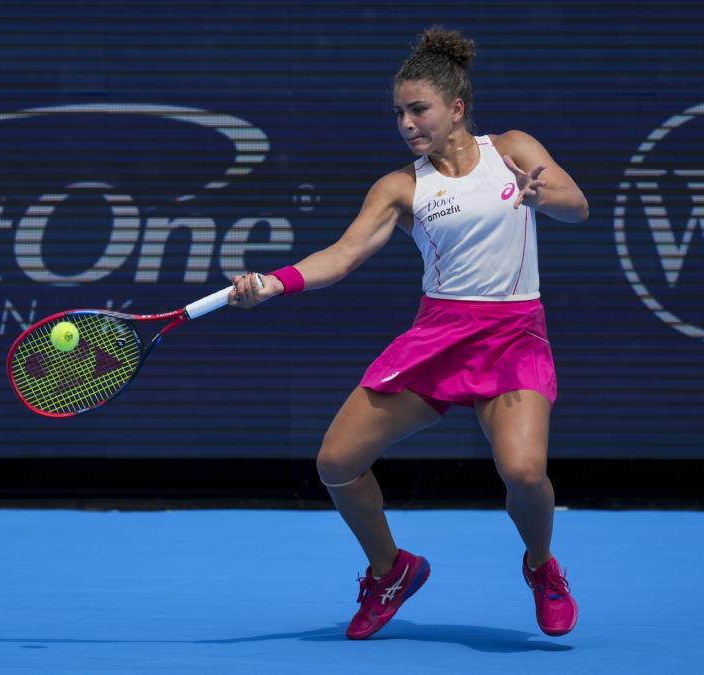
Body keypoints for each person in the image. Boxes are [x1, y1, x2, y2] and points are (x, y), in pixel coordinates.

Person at [230, 25, 589, 640]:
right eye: (399, 112)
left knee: (525, 473)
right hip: (439, 336)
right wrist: (273, 283)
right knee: (337, 462)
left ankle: (540, 565)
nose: (406, 123)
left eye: (418, 109)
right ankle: (390, 569)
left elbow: (577, 206)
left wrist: (542, 199)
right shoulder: (402, 187)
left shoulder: (513, 149)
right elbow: (342, 255)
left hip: (513, 335)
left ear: (457, 108)